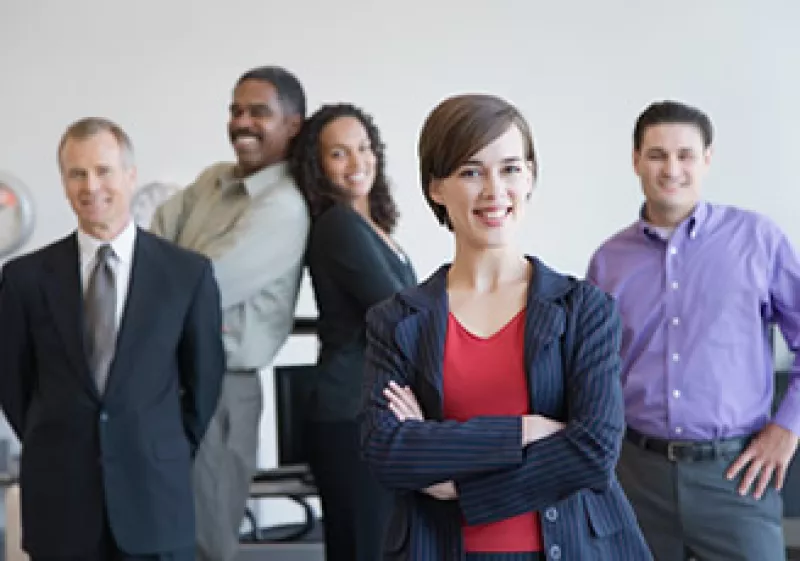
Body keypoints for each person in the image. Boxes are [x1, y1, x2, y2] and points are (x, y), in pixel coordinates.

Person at [360, 94, 652, 561]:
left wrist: (460, 489)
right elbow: (388, 450)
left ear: (531, 176)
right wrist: (524, 430)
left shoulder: (584, 308)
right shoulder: (397, 321)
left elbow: (595, 448)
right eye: (471, 172)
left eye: (511, 168)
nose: (495, 190)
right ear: (436, 186)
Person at [0, 117, 225, 560]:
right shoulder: (24, 280)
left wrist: (156, 443)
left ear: (130, 176)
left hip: (155, 503)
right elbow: (13, 384)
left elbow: (203, 385)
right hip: (62, 505)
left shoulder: (186, 274)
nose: (91, 186)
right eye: (77, 173)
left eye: (104, 171)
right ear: (64, 183)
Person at [586, 100, 800, 561]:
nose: (671, 169)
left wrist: (788, 427)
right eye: (658, 154)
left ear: (707, 159)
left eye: (685, 155)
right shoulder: (607, 261)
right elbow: (593, 368)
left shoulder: (757, 240)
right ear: (636, 160)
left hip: (736, 476)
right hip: (635, 476)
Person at [150, 66, 310, 561]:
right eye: (236, 110)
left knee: (204, 537)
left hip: (219, 387)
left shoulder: (284, 207)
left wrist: (182, 265)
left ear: (293, 125)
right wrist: (182, 267)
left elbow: (202, 283)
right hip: (163, 377)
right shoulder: (211, 181)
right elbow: (152, 243)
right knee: (158, 529)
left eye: (259, 112)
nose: (242, 122)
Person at [290, 103, 417, 561]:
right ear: (318, 166)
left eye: (364, 148)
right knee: (364, 548)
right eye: (339, 153)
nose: (358, 162)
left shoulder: (371, 226)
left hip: (372, 412)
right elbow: (397, 311)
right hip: (349, 415)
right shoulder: (337, 226)